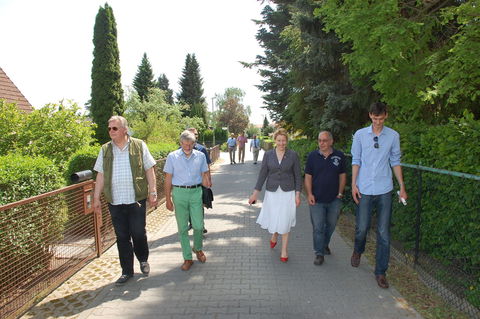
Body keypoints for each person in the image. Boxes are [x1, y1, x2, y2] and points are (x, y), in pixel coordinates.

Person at [93, 116, 157, 285]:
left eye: (114, 128)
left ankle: (143, 260)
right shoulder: (105, 149)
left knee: (138, 232)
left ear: (124, 130)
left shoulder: (138, 145)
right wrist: (96, 198)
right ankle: (126, 271)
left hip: (135, 199)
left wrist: (153, 191)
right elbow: (100, 174)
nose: (111, 131)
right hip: (114, 201)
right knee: (121, 236)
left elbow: (149, 169)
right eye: (109, 128)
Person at [350, 102, 408, 289]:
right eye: (374, 119)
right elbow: (356, 160)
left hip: (384, 188)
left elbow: (395, 161)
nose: (377, 122)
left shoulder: (393, 136)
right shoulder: (360, 135)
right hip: (364, 188)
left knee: (383, 233)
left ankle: (381, 272)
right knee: (362, 228)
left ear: (386, 116)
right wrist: (353, 185)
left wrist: (402, 186)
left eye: (381, 119)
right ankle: (358, 250)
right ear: (370, 116)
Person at [248, 128, 301, 262]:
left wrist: (297, 194)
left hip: (288, 192)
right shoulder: (268, 154)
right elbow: (263, 174)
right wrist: (255, 194)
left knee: (285, 219)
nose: (281, 143)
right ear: (275, 141)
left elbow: (298, 176)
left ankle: (284, 250)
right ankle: (274, 235)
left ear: (287, 141)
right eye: (279, 140)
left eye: (284, 140)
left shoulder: (293, 155)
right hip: (272, 192)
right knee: (275, 217)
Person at [164, 130, 210, 271]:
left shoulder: (201, 156)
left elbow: (205, 173)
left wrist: (207, 186)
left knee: (198, 225)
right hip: (179, 193)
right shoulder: (172, 157)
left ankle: (198, 248)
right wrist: (168, 199)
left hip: (196, 192)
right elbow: (168, 179)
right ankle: (187, 257)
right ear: (180, 143)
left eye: (190, 144)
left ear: (194, 143)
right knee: (182, 227)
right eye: (185, 144)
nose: (187, 147)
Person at [304, 131, 346, 266]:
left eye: (325, 140)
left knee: (331, 225)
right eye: (320, 140)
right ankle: (319, 253)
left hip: (334, 199)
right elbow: (308, 177)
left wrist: (340, 193)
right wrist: (309, 194)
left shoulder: (339, 156)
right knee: (318, 227)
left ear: (331, 141)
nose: (322, 143)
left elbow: (342, 176)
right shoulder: (312, 156)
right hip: (316, 199)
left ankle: (324, 244)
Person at [187, 127, 212, 234]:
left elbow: (207, 166)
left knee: (199, 204)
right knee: (188, 206)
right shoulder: (181, 149)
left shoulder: (202, 149)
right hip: (186, 184)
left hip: (199, 182)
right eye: (193, 134)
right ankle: (192, 222)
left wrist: (209, 180)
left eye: (196, 134)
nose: (195, 136)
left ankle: (201, 225)